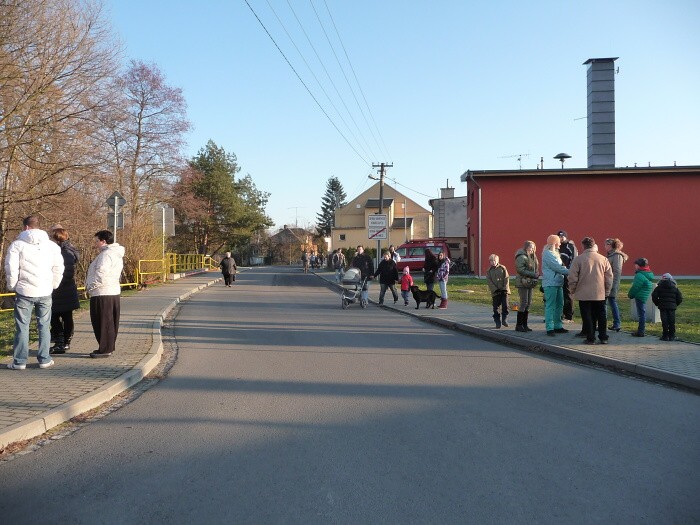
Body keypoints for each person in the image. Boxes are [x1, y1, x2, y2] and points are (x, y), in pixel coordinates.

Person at [4, 215, 64, 369]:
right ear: (39, 227)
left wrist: (13, 286)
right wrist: (54, 284)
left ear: (26, 227)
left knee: (22, 326)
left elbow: (11, 268)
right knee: (44, 325)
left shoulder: (17, 245)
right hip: (45, 290)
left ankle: (19, 361)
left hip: (24, 290)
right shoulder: (52, 246)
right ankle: (44, 359)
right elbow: (58, 267)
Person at [85, 230, 125, 358]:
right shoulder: (115, 254)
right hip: (111, 291)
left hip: (102, 292)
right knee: (110, 321)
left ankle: (105, 349)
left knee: (102, 322)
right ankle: (108, 347)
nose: (96, 244)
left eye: (97, 241)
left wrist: (91, 286)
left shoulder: (106, 255)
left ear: (103, 241)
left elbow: (101, 273)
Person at [567, 238, 613, 345]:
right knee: (601, 315)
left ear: (583, 246)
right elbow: (609, 277)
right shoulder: (603, 259)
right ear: (593, 245)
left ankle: (590, 337)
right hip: (599, 292)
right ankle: (603, 337)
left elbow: (572, 277)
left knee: (587, 315)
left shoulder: (578, 259)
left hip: (583, 293)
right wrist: (607, 291)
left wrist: (572, 290)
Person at [49, 227, 81, 355]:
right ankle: (63, 342)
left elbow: (66, 272)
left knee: (57, 316)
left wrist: (53, 282)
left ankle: (62, 342)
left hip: (61, 289)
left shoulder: (65, 252)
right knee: (63, 316)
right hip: (66, 289)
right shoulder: (69, 250)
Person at [542, 234, 570, 336]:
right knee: (550, 305)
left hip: (558, 282)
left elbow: (560, 267)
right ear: (554, 243)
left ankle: (557, 325)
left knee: (559, 304)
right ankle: (549, 327)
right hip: (550, 283)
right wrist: (571, 272)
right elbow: (557, 267)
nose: (560, 244)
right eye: (558, 242)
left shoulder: (555, 253)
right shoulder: (548, 254)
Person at [514, 240, 539, 332]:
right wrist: (533, 274)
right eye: (530, 247)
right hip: (522, 281)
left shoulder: (532, 256)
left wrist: (536, 273)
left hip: (530, 282)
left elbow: (535, 267)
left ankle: (525, 324)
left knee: (529, 303)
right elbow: (520, 269)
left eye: (533, 248)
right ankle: (519, 325)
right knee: (523, 302)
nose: (532, 249)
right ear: (526, 247)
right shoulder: (521, 256)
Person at [605, 238, 628, 331]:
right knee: (608, 302)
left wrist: (613, 285)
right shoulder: (611, 255)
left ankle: (617, 323)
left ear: (610, 245)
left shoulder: (617, 256)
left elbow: (617, 271)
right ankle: (609, 323)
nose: (605, 247)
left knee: (611, 302)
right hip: (607, 283)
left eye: (606, 245)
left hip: (612, 284)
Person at [652, 273, 683, 341]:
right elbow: (680, 298)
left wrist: (658, 303)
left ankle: (665, 336)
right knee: (672, 321)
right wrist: (675, 304)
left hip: (662, 306)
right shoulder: (674, 287)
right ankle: (672, 336)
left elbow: (654, 296)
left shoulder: (659, 287)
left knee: (664, 321)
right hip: (672, 307)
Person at [627, 257, 654, 337]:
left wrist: (630, 295)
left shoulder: (639, 275)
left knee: (641, 314)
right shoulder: (648, 273)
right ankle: (641, 330)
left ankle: (641, 331)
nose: (634, 266)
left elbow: (635, 287)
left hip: (640, 296)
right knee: (642, 313)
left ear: (639, 266)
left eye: (636, 264)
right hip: (644, 295)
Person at [557, 230, 578, 322]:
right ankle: (559, 314)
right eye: (559, 237)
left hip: (567, 274)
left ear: (565, 237)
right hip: (558, 274)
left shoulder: (570, 246)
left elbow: (574, 260)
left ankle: (569, 316)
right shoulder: (557, 247)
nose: (561, 238)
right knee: (559, 295)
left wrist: (569, 272)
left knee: (568, 294)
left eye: (562, 237)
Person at [486, 254, 510, 328]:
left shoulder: (502, 268)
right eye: (491, 261)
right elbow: (489, 281)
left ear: (497, 261)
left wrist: (505, 288)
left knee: (505, 306)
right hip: (495, 292)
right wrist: (495, 289)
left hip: (504, 291)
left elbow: (506, 278)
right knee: (496, 307)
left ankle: (504, 319)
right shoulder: (489, 271)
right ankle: (497, 321)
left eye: (494, 261)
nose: (493, 262)